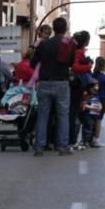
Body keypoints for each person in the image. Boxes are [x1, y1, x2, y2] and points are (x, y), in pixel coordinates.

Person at [30, 17, 76, 156]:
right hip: (61, 82)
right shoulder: (68, 45)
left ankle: (39, 147)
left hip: (44, 83)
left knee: (42, 115)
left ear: (54, 29)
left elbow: (33, 63)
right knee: (63, 115)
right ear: (65, 28)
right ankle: (62, 147)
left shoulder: (44, 44)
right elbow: (71, 63)